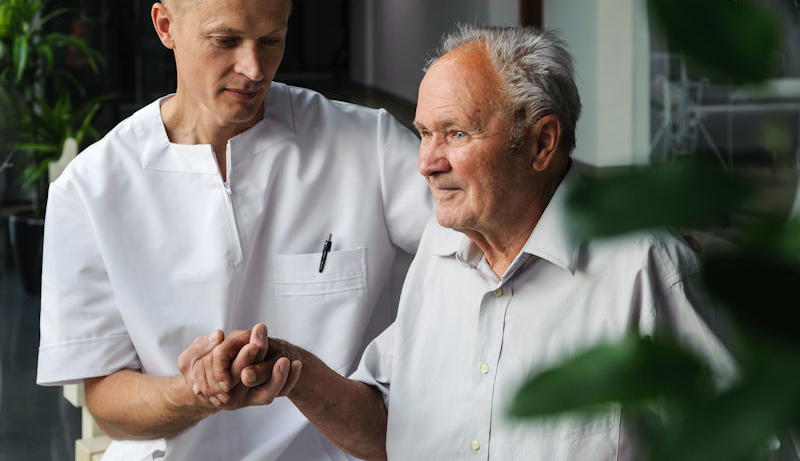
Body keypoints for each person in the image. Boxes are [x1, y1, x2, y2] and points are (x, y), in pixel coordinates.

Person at [200, 24, 735, 460]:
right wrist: (295, 372)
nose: (427, 162)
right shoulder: (439, 250)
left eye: (455, 133)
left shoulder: (645, 270)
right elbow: (387, 425)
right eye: (424, 133)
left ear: (542, 143)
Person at [36, 0, 432, 461]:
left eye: (271, 40)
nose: (253, 67)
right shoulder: (91, 188)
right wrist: (195, 391)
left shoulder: (367, 145)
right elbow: (105, 399)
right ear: (165, 26)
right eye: (225, 40)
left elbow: (477, 246)